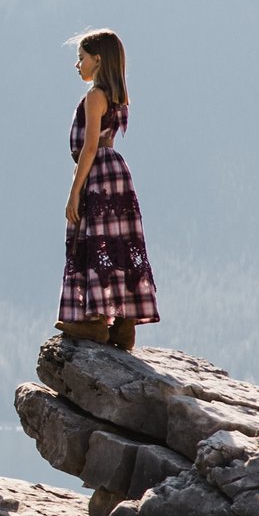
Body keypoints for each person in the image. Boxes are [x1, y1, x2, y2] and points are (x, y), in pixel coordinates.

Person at [60, 28, 159, 349]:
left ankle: (95, 321)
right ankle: (124, 324)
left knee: (92, 239)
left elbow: (89, 147)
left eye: (82, 58)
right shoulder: (117, 96)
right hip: (117, 172)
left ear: (97, 60)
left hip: (97, 173)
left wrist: (74, 191)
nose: (78, 65)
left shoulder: (94, 96)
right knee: (119, 241)